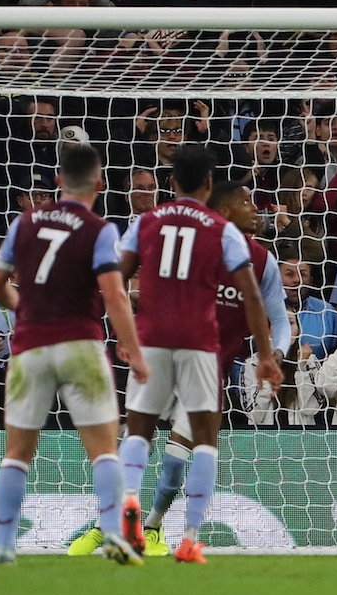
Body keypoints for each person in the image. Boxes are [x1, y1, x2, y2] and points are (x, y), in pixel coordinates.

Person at [68, 179, 289, 556]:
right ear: (223, 210)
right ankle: (109, 525)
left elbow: (279, 319)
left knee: (176, 459)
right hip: (160, 356)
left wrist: (276, 352)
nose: (256, 209)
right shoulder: (189, 245)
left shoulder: (261, 260)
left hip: (207, 369)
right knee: (134, 440)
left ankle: (152, 528)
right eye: (246, 202)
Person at [115, 146, 282, 564]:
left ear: (171, 182)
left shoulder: (146, 221)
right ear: (209, 183)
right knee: (207, 443)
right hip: (200, 345)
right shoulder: (222, 230)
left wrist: (123, 333)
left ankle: (128, 519)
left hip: (153, 340)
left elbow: (115, 279)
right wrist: (265, 355)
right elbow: (251, 296)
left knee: (138, 433)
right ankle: (189, 539)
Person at [0, 143, 149, 565]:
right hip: (80, 345)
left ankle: (3, 546)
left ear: (58, 181)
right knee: (103, 450)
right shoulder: (100, 229)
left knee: (17, 452)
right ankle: (112, 536)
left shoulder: (23, 223)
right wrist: (133, 350)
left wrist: (24, 310)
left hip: (30, 348)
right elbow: (114, 295)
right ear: (100, 184)